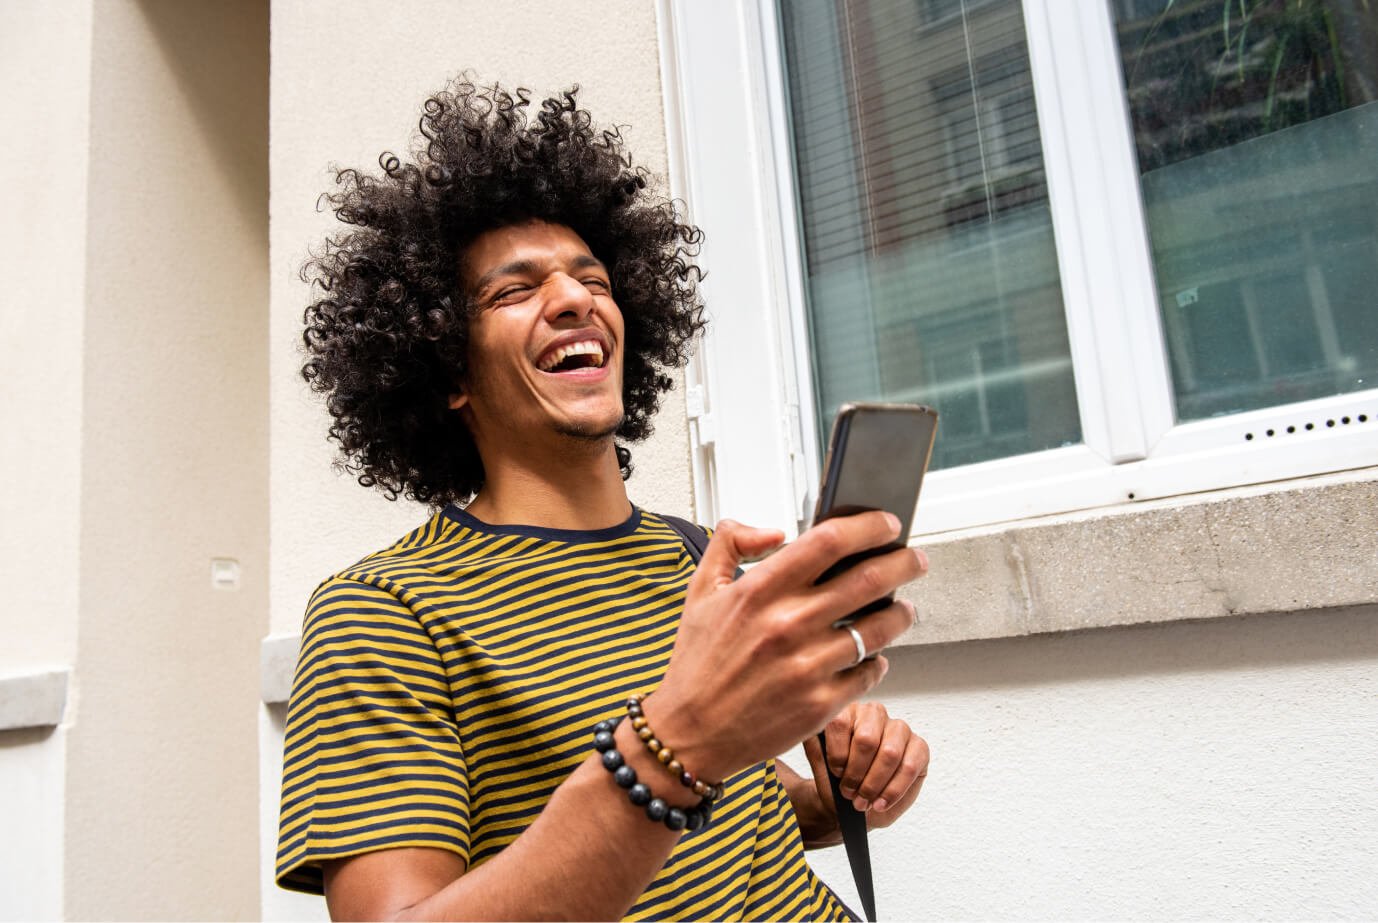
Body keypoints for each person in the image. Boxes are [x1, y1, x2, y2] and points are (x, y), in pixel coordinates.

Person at [277, 78, 931, 921]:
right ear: (445, 372)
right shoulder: (381, 611)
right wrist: (671, 744)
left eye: (592, 278)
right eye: (514, 291)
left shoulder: (699, 557)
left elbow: (735, 811)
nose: (575, 298)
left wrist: (846, 792)